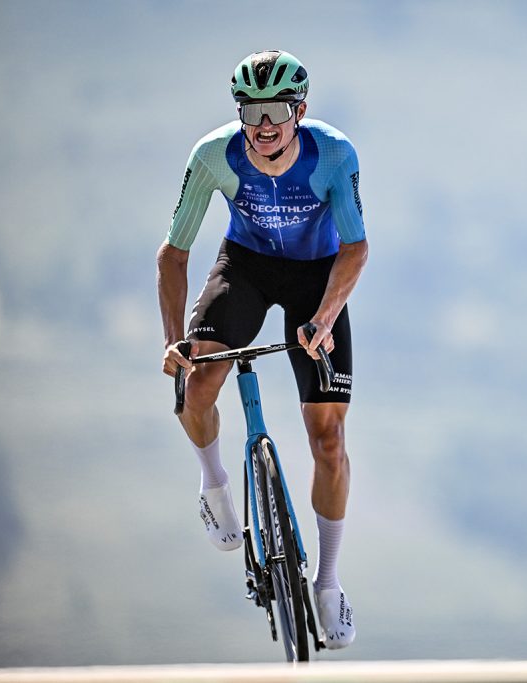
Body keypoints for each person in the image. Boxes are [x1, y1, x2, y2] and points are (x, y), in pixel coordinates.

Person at [156, 50, 368, 650]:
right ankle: (215, 481)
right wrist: (175, 339)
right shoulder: (213, 156)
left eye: (278, 109)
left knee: (328, 439)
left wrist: (325, 318)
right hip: (244, 268)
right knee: (196, 388)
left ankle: (326, 583)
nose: (265, 124)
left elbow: (354, 248)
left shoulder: (332, 154)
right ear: (241, 113)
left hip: (315, 277)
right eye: (253, 110)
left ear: (299, 111)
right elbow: (173, 255)